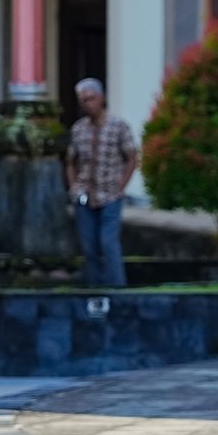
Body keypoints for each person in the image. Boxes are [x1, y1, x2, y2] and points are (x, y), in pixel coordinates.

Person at [65, 78, 137, 288]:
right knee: (89, 247)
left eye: (91, 98)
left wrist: (121, 185)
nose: (88, 103)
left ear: (101, 97)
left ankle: (117, 289)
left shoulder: (118, 126)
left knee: (108, 243)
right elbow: (71, 161)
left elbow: (132, 156)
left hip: (110, 194)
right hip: (84, 193)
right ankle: (94, 290)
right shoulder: (78, 129)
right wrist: (73, 188)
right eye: (83, 100)